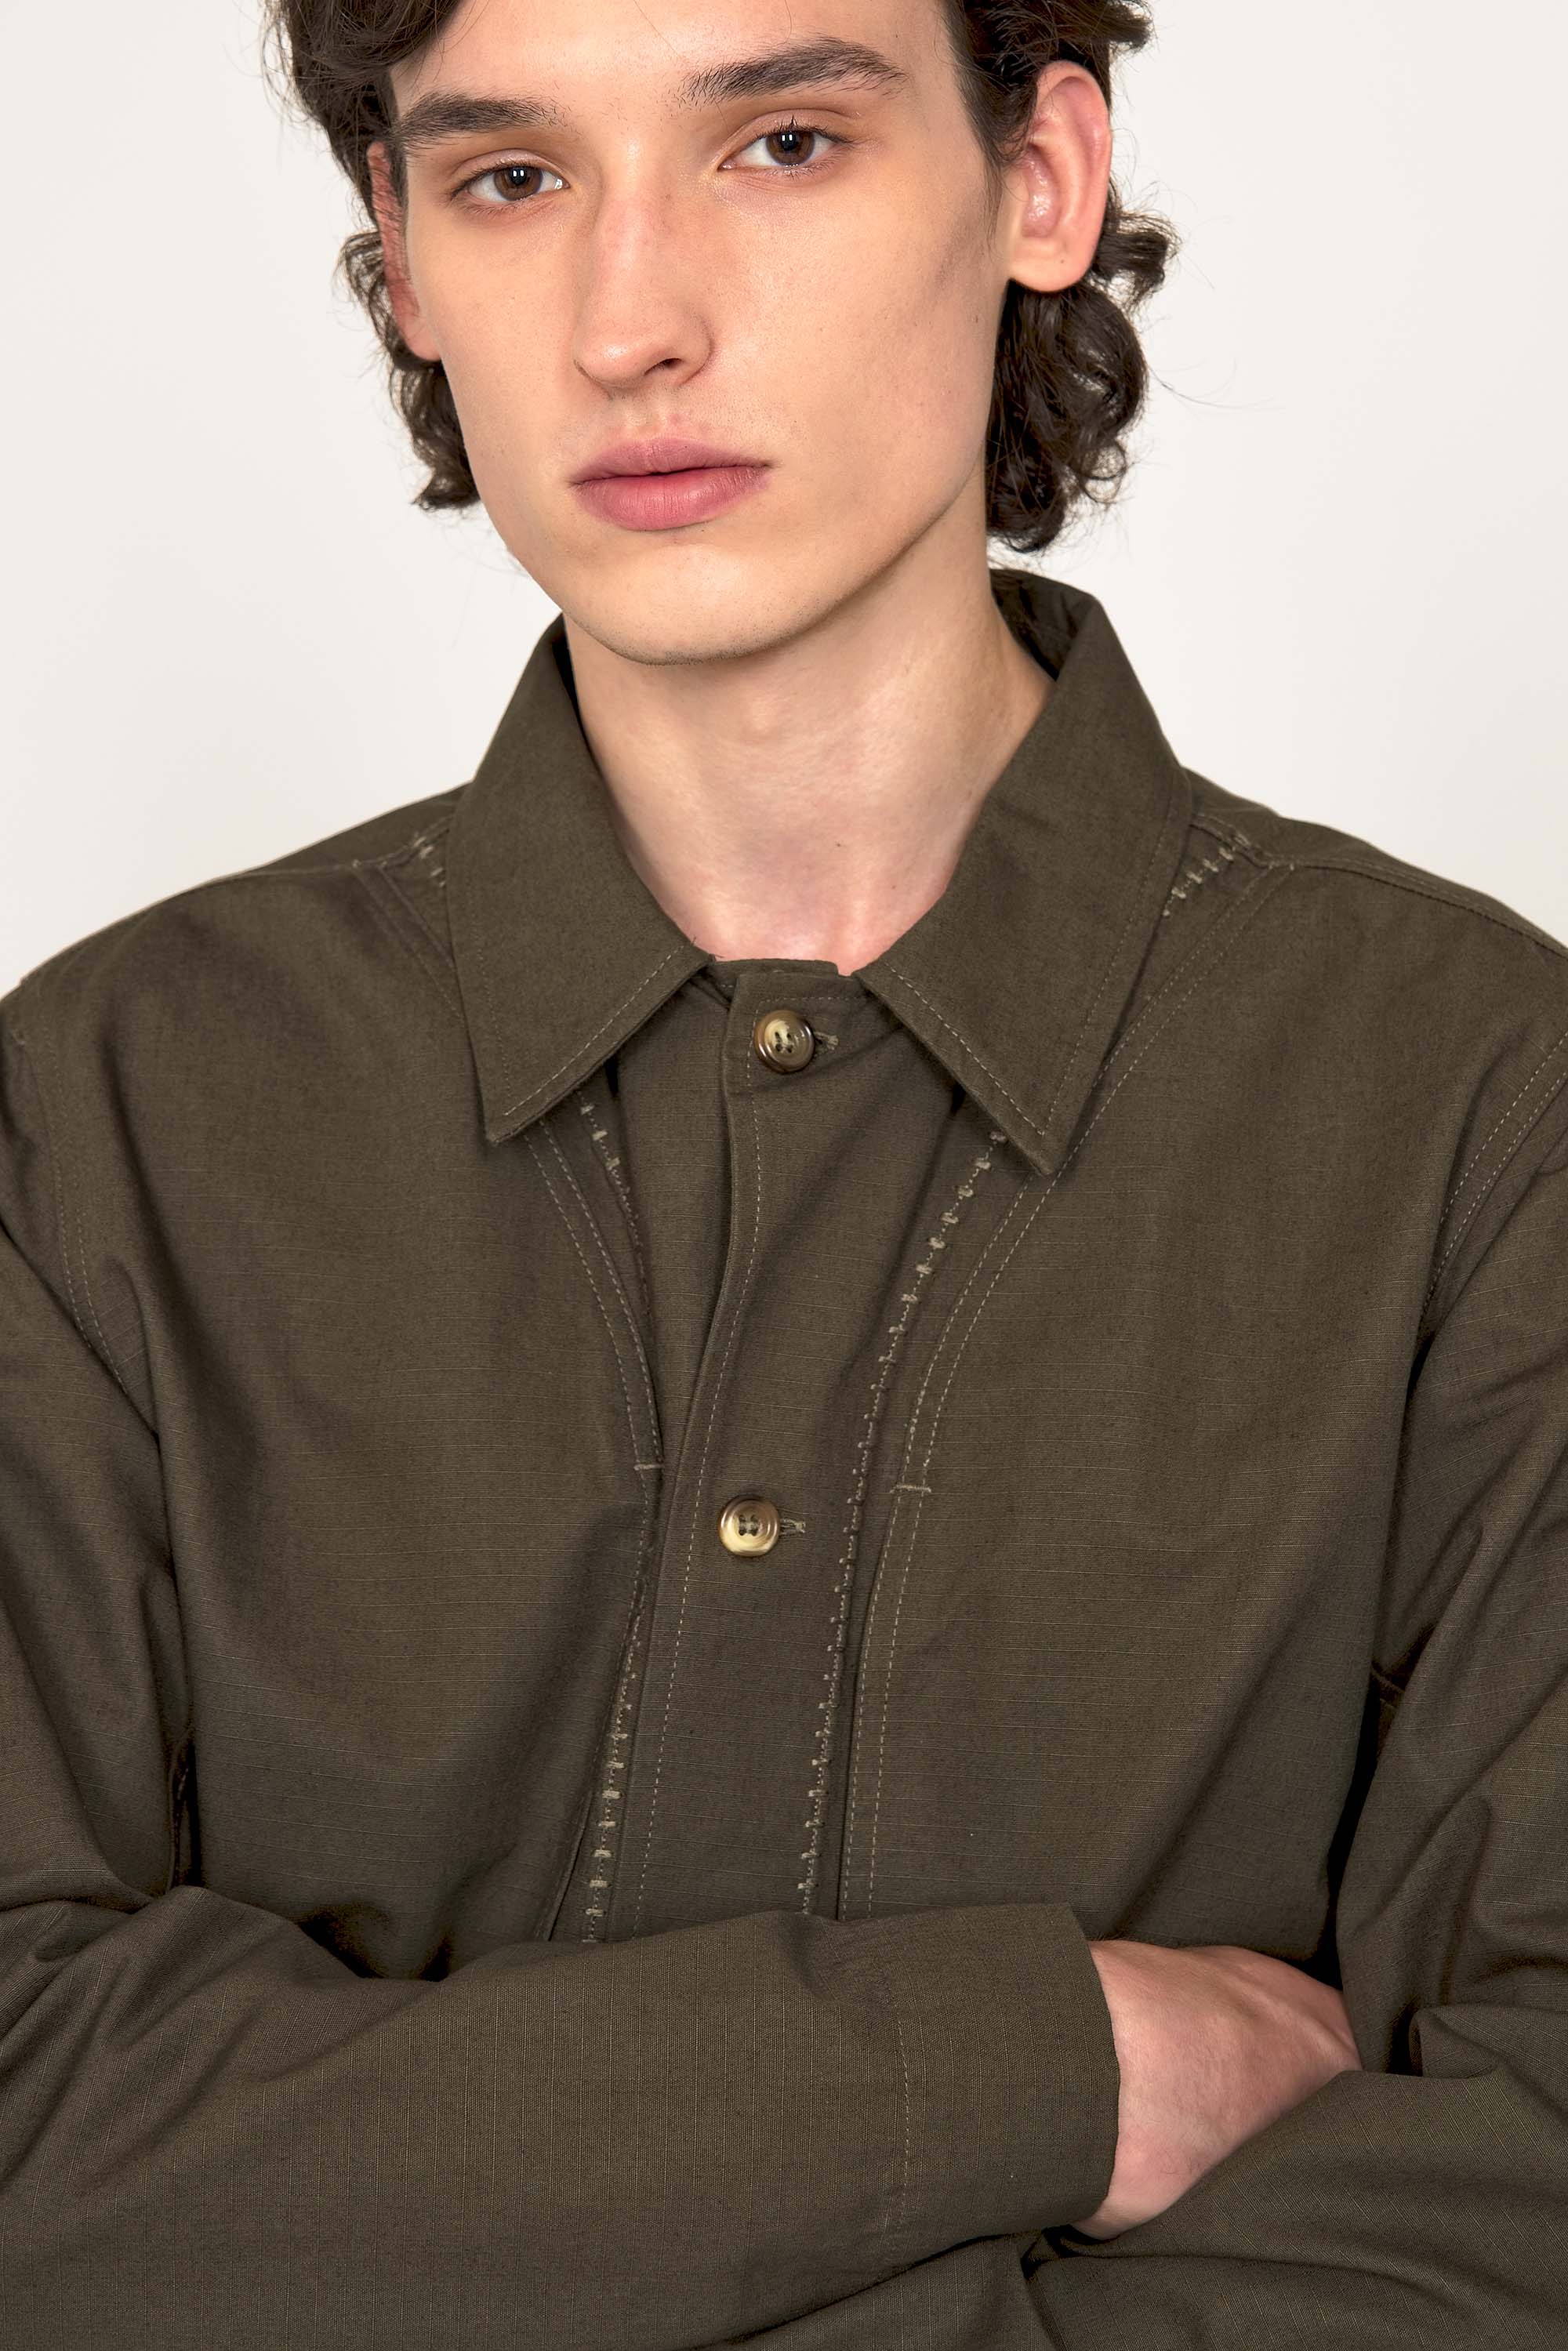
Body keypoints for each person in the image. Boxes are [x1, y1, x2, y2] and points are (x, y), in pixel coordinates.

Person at [2, 0, 1564, 2342]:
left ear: (1040, 178)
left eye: (785, 143)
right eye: (511, 178)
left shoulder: (1484, 1112)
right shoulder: (104, 1114)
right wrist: (1043, 2064)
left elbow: (1522, 2211)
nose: (631, 321)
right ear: (402, 260)